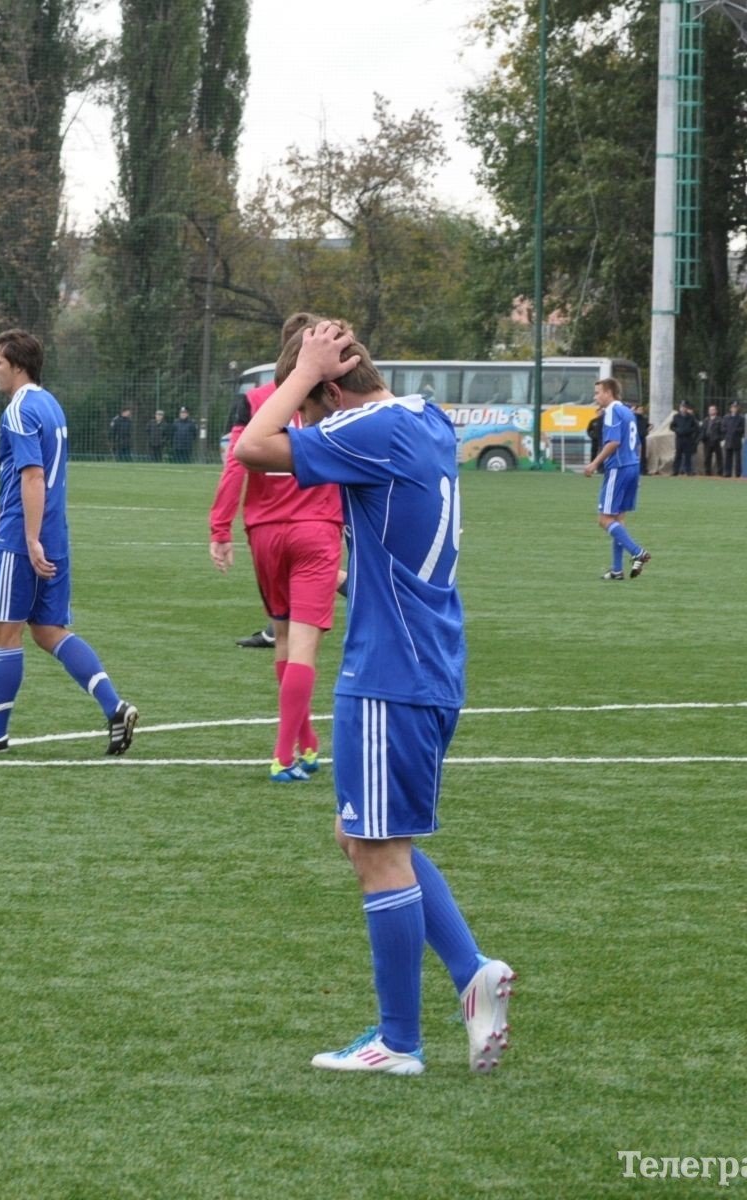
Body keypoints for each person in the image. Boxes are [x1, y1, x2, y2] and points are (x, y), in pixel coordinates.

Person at [236, 320, 514, 1076]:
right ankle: (471, 973)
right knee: (361, 835)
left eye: (311, 398)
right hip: (427, 659)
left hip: (391, 669)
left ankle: (399, 1041)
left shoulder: (365, 425)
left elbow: (252, 448)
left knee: (377, 851)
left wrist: (300, 375)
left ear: (329, 388)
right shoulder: (423, 414)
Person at [0, 329, 138, 756]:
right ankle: (115, 706)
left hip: (23, 540)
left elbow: (33, 475)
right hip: (55, 533)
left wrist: (27, 537)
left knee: (3, 632)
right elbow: (39, 475)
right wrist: (3, 511)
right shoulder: (50, 405)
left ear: (17, 365)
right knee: (49, 631)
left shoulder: (18, 410)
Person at [210, 311, 344, 781]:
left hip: (265, 532)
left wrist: (220, 528)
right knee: (304, 645)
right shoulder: (334, 398)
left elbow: (234, 466)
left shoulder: (255, 400)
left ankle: (306, 743)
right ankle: (284, 755)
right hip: (316, 530)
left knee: (284, 639)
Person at [584, 377, 650, 581]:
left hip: (618, 468)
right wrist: (635, 471)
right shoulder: (628, 412)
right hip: (632, 467)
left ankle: (637, 552)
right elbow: (637, 443)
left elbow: (613, 442)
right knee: (618, 520)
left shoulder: (612, 410)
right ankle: (616, 570)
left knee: (604, 519)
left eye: (598, 393)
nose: (596, 397)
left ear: (608, 393)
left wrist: (595, 463)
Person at [670, 400, 700, 476]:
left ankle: (688, 471)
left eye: (685, 407)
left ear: (687, 408)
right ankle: (675, 471)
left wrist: (689, 430)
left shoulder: (691, 417)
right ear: (680, 408)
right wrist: (677, 430)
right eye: (682, 407)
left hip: (688, 438)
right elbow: (672, 427)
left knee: (688, 456)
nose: (683, 409)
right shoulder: (676, 416)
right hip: (679, 438)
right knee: (678, 455)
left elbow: (696, 427)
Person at [699, 404, 725, 476]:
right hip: (707, 441)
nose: (711, 411)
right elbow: (702, 430)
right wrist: (702, 438)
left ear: (716, 411)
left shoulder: (720, 420)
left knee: (719, 457)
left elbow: (723, 430)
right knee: (707, 458)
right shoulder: (706, 420)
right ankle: (707, 472)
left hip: (716, 441)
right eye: (710, 410)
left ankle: (720, 472)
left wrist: (720, 438)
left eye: (713, 409)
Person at [722, 400, 745, 477]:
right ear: (730, 408)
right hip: (728, 439)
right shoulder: (726, 417)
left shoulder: (741, 418)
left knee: (738, 458)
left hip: (737, 440)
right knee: (727, 457)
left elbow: (743, 429)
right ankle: (727, 472)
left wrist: (735, 430)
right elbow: (723, 428)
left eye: (736, 407)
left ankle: (738, 473)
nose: (734, 409)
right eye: (733, 407)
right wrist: (727, 432)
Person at [631, 402, 650, 474]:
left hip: (642, 438)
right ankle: (634, 470)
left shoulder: (644, 419)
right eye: (639, 409)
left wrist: (646, 431)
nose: (641, 411)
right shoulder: (633, 418)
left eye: (642, 409)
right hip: (635, 438)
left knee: (643, 454)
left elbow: (649, 425)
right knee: (635, 454)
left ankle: (643, 470)